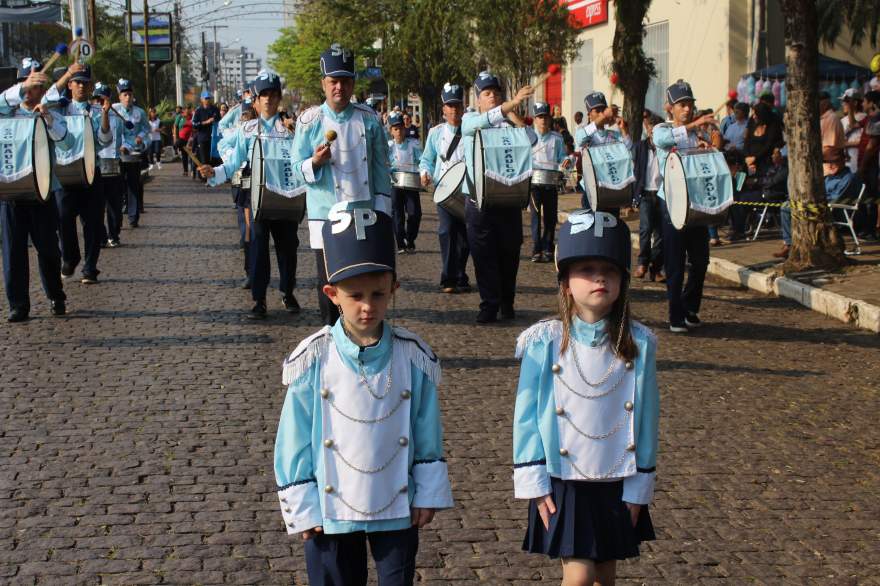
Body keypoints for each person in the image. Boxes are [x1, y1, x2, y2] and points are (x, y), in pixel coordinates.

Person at [273, 204, 453, 585]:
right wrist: (303, 507)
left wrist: (427, 491)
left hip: (396, 502)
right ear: (332, 293)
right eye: (355, 295)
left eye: (378, 294)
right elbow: (295, 436)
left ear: (394, 289)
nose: (368, 306)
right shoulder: (314, 357)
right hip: (330, 508)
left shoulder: (412, 355)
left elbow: (426, 426)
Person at [513, 210, 658, 583]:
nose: (599, 278)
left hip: (617, 476)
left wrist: (640, 484)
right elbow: (526, 416)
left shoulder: (640, 343)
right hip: (564, 479)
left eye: (609, 270)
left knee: (605, 575)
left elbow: (647, 418)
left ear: (622, 282)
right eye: (587, 269)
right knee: (578, 574)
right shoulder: (541, 341)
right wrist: (533, 477)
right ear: (564, 283)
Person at [289, 44, 392, 326]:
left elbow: (382, 168)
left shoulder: (369, 119)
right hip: (325, 216)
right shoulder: (309, 121)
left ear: (353, 83)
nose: (339, 88)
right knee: (330, 283)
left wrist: (384, 214)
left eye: (345, 81)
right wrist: (315, 162)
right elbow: (296, 169)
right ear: (323, 83)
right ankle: (330, 335)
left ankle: (364, 337)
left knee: (363, 282)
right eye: (334, 81)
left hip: (364, 214)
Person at [200, 71, 300, 319]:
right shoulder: (246, 130)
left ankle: (287, 292)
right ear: (255, 101)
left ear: (279, 99)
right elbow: (233, 163)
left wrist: (297, 132)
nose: (268, 99)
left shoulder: (291, 129)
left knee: (288, 248)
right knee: (257, 246)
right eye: (263, 95)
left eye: (273, 94)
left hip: (286, 199)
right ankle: (259, 298)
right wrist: (214, 171)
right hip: (258, 199)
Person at [0, 58, 76, 322]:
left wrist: (47, 119)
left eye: (39, 86)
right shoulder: (5, 112)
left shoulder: (51, 114)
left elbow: (67, 145)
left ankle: (56, 295)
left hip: (43, 193)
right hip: (10, 192)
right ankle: (18, 305)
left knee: (48, 250)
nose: (35, 91)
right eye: (29, 85)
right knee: (13, 252)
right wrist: (20, 91)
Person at [461, 70, 534, 324]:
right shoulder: (470, 120)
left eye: (497, 93)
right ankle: (488, 305)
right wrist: (507, 106)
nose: (492, 97)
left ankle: (507, 302)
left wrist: (512, 114)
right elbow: (473, 126)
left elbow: (532, 139)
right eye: (487, 93)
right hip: (479, 202)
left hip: (508, 200)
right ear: (478, 99)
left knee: (509, 254)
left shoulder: (508, 122)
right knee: (484, 257)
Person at [653, 79, 717, 333]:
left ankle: (690, 306)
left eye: (690, 104)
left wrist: (705, 147)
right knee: (675, 262)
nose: (687, 109)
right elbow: (663, 141)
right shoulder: (661, 129)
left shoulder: (696, 134)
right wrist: (693, 126)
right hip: (670, 201)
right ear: (670, 107)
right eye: (681, 105)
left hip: (696, 202)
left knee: (701, 260)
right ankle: (675, 314)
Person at [51, 64, 114, 284]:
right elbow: (45, 99)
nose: (81, 86)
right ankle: (69, 258)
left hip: (90, 172)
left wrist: (105, 114)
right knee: (63, 219)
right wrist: (67, 72)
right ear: (69, 84)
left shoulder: (96, 111)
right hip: (64, 173)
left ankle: (90, 267)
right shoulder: (58, 108)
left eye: (85, 83)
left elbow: (105, 141)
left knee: (94, 223)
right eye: (77, 82)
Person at [419, 82, 471, 294]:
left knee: (467, 237)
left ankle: (461, 273)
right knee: (447, 231)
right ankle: (448, 277)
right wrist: (425, 173)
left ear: (463, 107)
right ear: (443, 110)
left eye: (457, 105)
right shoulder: (436, 133)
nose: (454, 110)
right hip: (444, 192)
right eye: (450, 106)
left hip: (468, 191)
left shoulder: (471, 131)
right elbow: (426, 160)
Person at [776, 148, 861, 258]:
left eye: (834, 162)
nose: (830, 165)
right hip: (820, 206)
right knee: (786, 206)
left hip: (835, 211)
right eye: (827, 162)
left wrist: (812, 202)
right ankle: (789, 244)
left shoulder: (848, 178)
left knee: (789, 208)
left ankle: (799, 246)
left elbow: (835, 199)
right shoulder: (828, 177)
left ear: (843, 161)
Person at [575, 92, 631, 208]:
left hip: (612, 189)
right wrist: (602, 117)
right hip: (591, 190)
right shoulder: (585, 133)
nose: (602, 114)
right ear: (589, 114)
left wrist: (624, 130)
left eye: (603, 110)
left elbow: (629, 150)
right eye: (597, 111)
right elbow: (580, 140)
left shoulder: (614, 134)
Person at [530, 101, 569, 263]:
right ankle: (536, 248)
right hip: (534, 183)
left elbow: (562, 157)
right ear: (534, 119)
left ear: (550, 118)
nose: (543, 120)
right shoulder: (529, 137)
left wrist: (566, 160)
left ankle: (548, 247)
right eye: (539, 117)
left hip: (551, 182)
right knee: (535, 216)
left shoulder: (557, 138)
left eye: (545, 117)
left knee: (551, 217)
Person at [91, 82, 126, 249]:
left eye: (103, 99)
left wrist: (127, 146)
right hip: (95, 166)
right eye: (97, 99)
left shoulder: (118, 117)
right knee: (96, 208)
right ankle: (102, 236)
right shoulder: (88, 115)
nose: (99, 103)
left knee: (115, 207)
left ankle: (114, 234)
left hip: (114, 166)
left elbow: (128, 136)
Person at [631, 114, 664, 281]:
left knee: (661, 234)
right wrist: (631, 197)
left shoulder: (666, 148)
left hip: (663, 194)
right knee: (645, 229)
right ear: (647, 128)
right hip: (645, 194)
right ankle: (642, 262)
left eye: (657, 127)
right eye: (650, 127)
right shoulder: (639, 147)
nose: (653, 130)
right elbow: (633, 171)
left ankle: (656, 268)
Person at [114, 79, 149, 228]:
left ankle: (133, 216)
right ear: (119, 97)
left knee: (133, 185)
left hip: (134, 154)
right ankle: (120, 212)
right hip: (118, 154)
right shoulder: (113, 110)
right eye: (124, 95)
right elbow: (114, 131)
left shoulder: (139, 112)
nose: (127, 98)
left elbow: (146, 128)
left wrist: (140, 137)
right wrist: (121, 145)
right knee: (118, 185)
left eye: (129, 94)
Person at [388, 111, 423, 253]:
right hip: (394, 183)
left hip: (411, 183)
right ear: (391, 131)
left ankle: (410, 238)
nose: (399, 132)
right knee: (397, 214)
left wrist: (423, 172)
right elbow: (383, 163)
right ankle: (401, 243)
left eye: (401, 128)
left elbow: (422, 161)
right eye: (396, 129)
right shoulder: (388, 147)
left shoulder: (413, 144)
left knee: (415, 213)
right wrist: (388, 170)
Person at [191, 90, 220, 180]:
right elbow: (194, 124)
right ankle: (204, 177)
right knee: (204, 159)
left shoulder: (214, 109)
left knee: (213, 158)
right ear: (202, 99)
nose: (207, 100)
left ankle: (212, 176)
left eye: (209, 98)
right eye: (206, 98)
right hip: (203, 138)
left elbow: (218, 118)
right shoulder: (198, 111)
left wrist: (214, 119)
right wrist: (205, 122)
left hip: (214, 138)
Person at [819, 90, 845, 176]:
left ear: (825, 102)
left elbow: (829, 149)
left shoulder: (831, 119)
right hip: (826, 168)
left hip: (830, 169)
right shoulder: (823, 118)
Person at [841, 89, 865, 175]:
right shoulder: (843, 120)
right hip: (845, 160)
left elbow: (864, 141)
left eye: (846, 102)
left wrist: (845, 144)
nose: (843, 104)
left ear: (855, 103)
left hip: (857, 158)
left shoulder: (863, 118)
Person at [176, 106, 193, 176]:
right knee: (184, 155)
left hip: (190, 139)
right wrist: (175, 137)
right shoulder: (180, 117)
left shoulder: (192, 117)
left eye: (186, 111)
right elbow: (175, 127)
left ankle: (192, 170)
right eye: (184, 111)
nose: (185, 113)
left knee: (191, 155)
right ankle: (185, 171)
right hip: (182, 138)